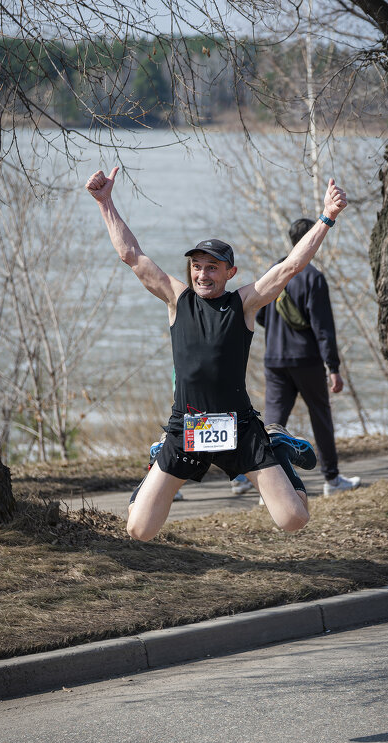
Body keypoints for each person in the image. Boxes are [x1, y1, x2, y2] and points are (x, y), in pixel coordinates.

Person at [85, 168, 347, 541]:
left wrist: (326, 217)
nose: (202, 274)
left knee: (294, 519)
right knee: (138, 529)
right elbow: (131, 255)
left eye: (212, 267)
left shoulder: (244, 303)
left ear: (229, 272)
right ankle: (158, 461)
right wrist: (105, 202)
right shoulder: (177, 299)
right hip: (186, 428)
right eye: (196, 266)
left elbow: (291, 266)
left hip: (239, 427)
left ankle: (277, 447)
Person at [256, 218, 361, 497]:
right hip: (306, 361)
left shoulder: (275, 270)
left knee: (273, 423)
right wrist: (333, 368)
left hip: (274, 359)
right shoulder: (313, 277)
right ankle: (332, 479)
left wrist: (281, 332)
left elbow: (259, 313)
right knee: (320, 417)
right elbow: (323, 328)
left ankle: (267, 485)